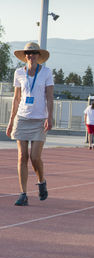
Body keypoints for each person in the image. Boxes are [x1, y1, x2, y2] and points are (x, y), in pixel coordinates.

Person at [6, 42, 54, 206]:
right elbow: (16, 98)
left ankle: (41, 181)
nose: (30, 56)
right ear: (24, 56)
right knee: (22, 157)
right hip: (22, 117)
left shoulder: (46, 72)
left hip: (39, 119)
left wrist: (50, 116)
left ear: (39, 55)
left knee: (35, 157)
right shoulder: (19, 72)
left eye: (34, 53)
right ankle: (23, 193)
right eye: (28, 53)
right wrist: (11, 121)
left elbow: (49, 97)